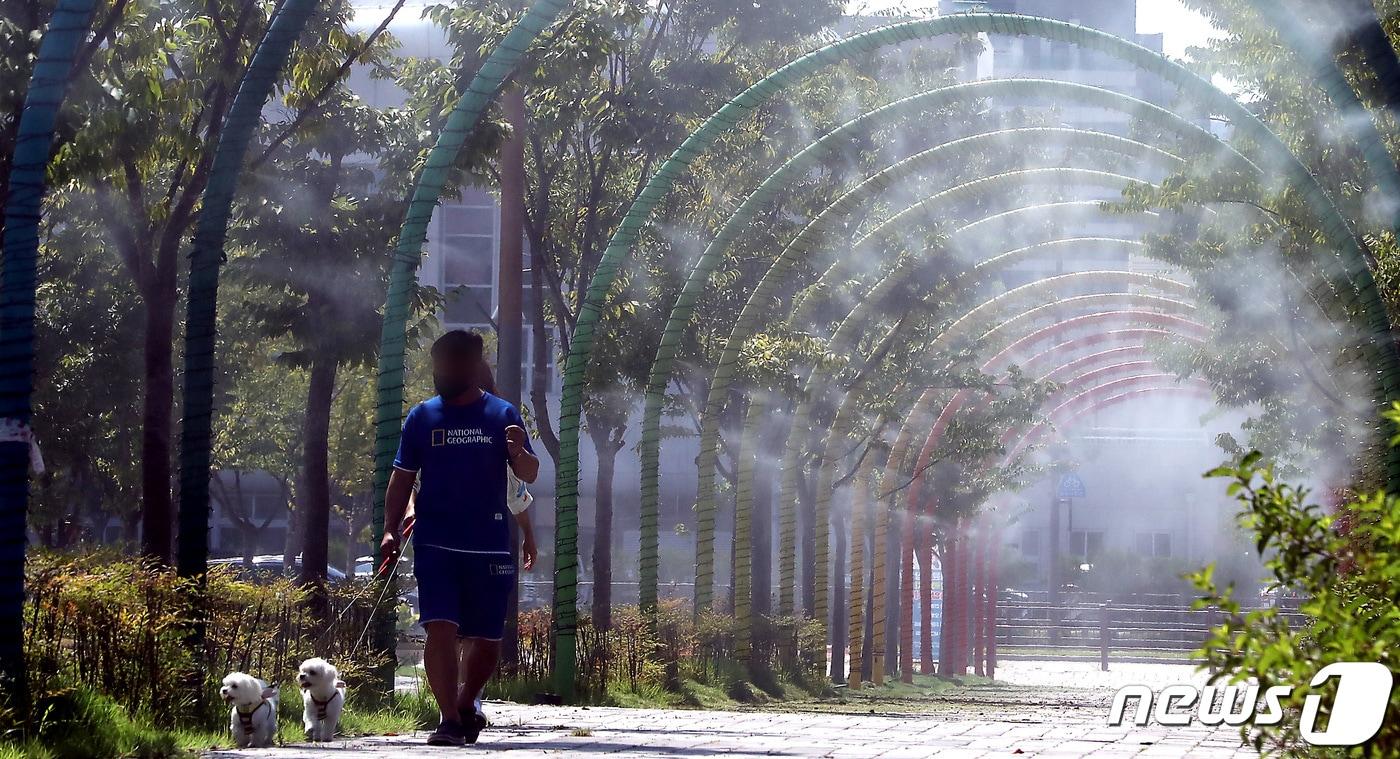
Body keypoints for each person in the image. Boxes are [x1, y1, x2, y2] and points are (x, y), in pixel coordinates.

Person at [381, 330, 540, 746]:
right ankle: (449, 719)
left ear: (472, 368)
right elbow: (401, 479)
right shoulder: (421, 417)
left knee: (487, 639)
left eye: (452, 365)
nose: (443, 373)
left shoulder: (503, 414)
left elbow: (528, 476)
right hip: (436, 543)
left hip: (488, 545)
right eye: (439, 366)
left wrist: (519, 451)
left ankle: (468, 703)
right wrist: (389, 530)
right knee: (440, 627)